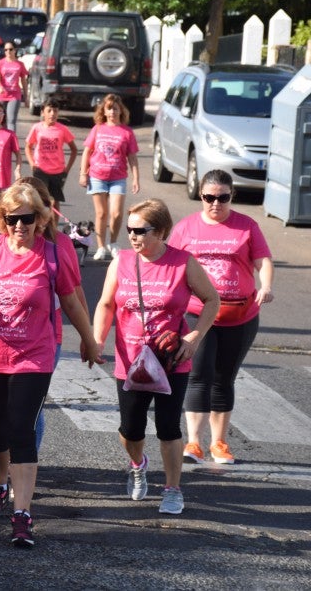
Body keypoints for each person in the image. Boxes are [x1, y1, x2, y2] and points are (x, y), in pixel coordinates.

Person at [0, 184, 101, 547]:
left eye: (27, 218)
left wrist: (91, 340)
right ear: (2, 220)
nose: (20, 225)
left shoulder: (50, 253)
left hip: (33, 355)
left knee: (21, 430)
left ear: (40, 219)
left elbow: (71, 301)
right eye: (12, 218)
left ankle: (23, 514)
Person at [92, 198, 219, 516]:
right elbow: (107, 304)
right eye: (130, 230)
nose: (132, 236)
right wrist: (96, 340)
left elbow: (211, 300)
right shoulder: (120, 261)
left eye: (140, 230)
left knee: (168, 428)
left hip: (171, 359)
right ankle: (138, 464)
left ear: (161, 231)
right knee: (130, 430)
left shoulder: (182, 263)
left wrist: (194, 336)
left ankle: (173, 489)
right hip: (130, 359)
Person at [169, 170, 274, 465]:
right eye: (209, 197)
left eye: (223, 198)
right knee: (199, 375)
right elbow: (171, 266)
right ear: (201, 196)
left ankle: (219, 443)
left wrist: (265, 285)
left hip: (240, 315)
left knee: (224, 378)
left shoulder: (247, 226)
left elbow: (262, 260)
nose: (216, 204)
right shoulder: (186, 228)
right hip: (197, 314)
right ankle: (193, 443)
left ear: (231, 196)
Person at [79, 93, 140, 261]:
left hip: (118, 177)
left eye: (115, 108)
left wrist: (136, 178)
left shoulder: (126, 132)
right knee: (101, 214)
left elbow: (132, 157)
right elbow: (86, 152)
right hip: (97, 176)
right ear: (104, 111)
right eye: (109, 108)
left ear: (121, 110)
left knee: (116, 213)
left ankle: (112, 243)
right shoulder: (98, 128)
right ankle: (100, 247)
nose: (112, 112)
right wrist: (83, 173)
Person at [25, 99, 78, 212]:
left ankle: (52, 228)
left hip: (57, 171)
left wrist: (67, 169)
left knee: (54, 202)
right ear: (43, 112)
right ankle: (40, 226)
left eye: (55, 111)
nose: (52, 114)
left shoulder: (62, 129)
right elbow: (28, 147)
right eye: (49, 111)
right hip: (40, 170)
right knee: (41, 199)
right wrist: (32, 164)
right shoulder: (37, 128)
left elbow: (74, 150)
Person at [0, 43, 28, 134]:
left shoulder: (20, 64)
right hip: (1, 95)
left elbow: (24, 81)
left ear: (15, 50)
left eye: (10, 49)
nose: (8, 51)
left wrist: (26, 97)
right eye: (6, 50)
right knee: (0, 120)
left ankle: (12, 142)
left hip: (14, 95)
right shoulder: (0, 63)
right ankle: (2, 140)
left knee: (11, 120)